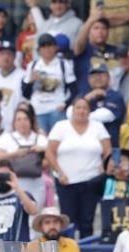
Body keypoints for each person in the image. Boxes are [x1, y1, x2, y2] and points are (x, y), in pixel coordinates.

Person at [46, 98, 111, 238]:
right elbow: (50, 152)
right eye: (78, 107)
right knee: (68, 222)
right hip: (66, 182)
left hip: (91, 182)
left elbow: (108, 151)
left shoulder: (98, 127)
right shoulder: (60, 126)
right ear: (72, 110)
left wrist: (103, 167)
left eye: (85, 108)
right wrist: (59, 172)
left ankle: (87, 251)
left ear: (89, 111)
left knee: (87, 222)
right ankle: (68, 250)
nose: (81, 111)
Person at [22, 33, 77, 133]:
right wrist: (31, 81)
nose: (47, 49)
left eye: (50, 45)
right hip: (38, 110)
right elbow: (25, 93)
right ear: (39, 50)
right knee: (41, 140)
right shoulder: (32, 66)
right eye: (43, 46)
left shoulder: (64, 64)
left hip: (57, 110)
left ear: (56, 47)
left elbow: (74, 89)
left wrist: (65, 104)